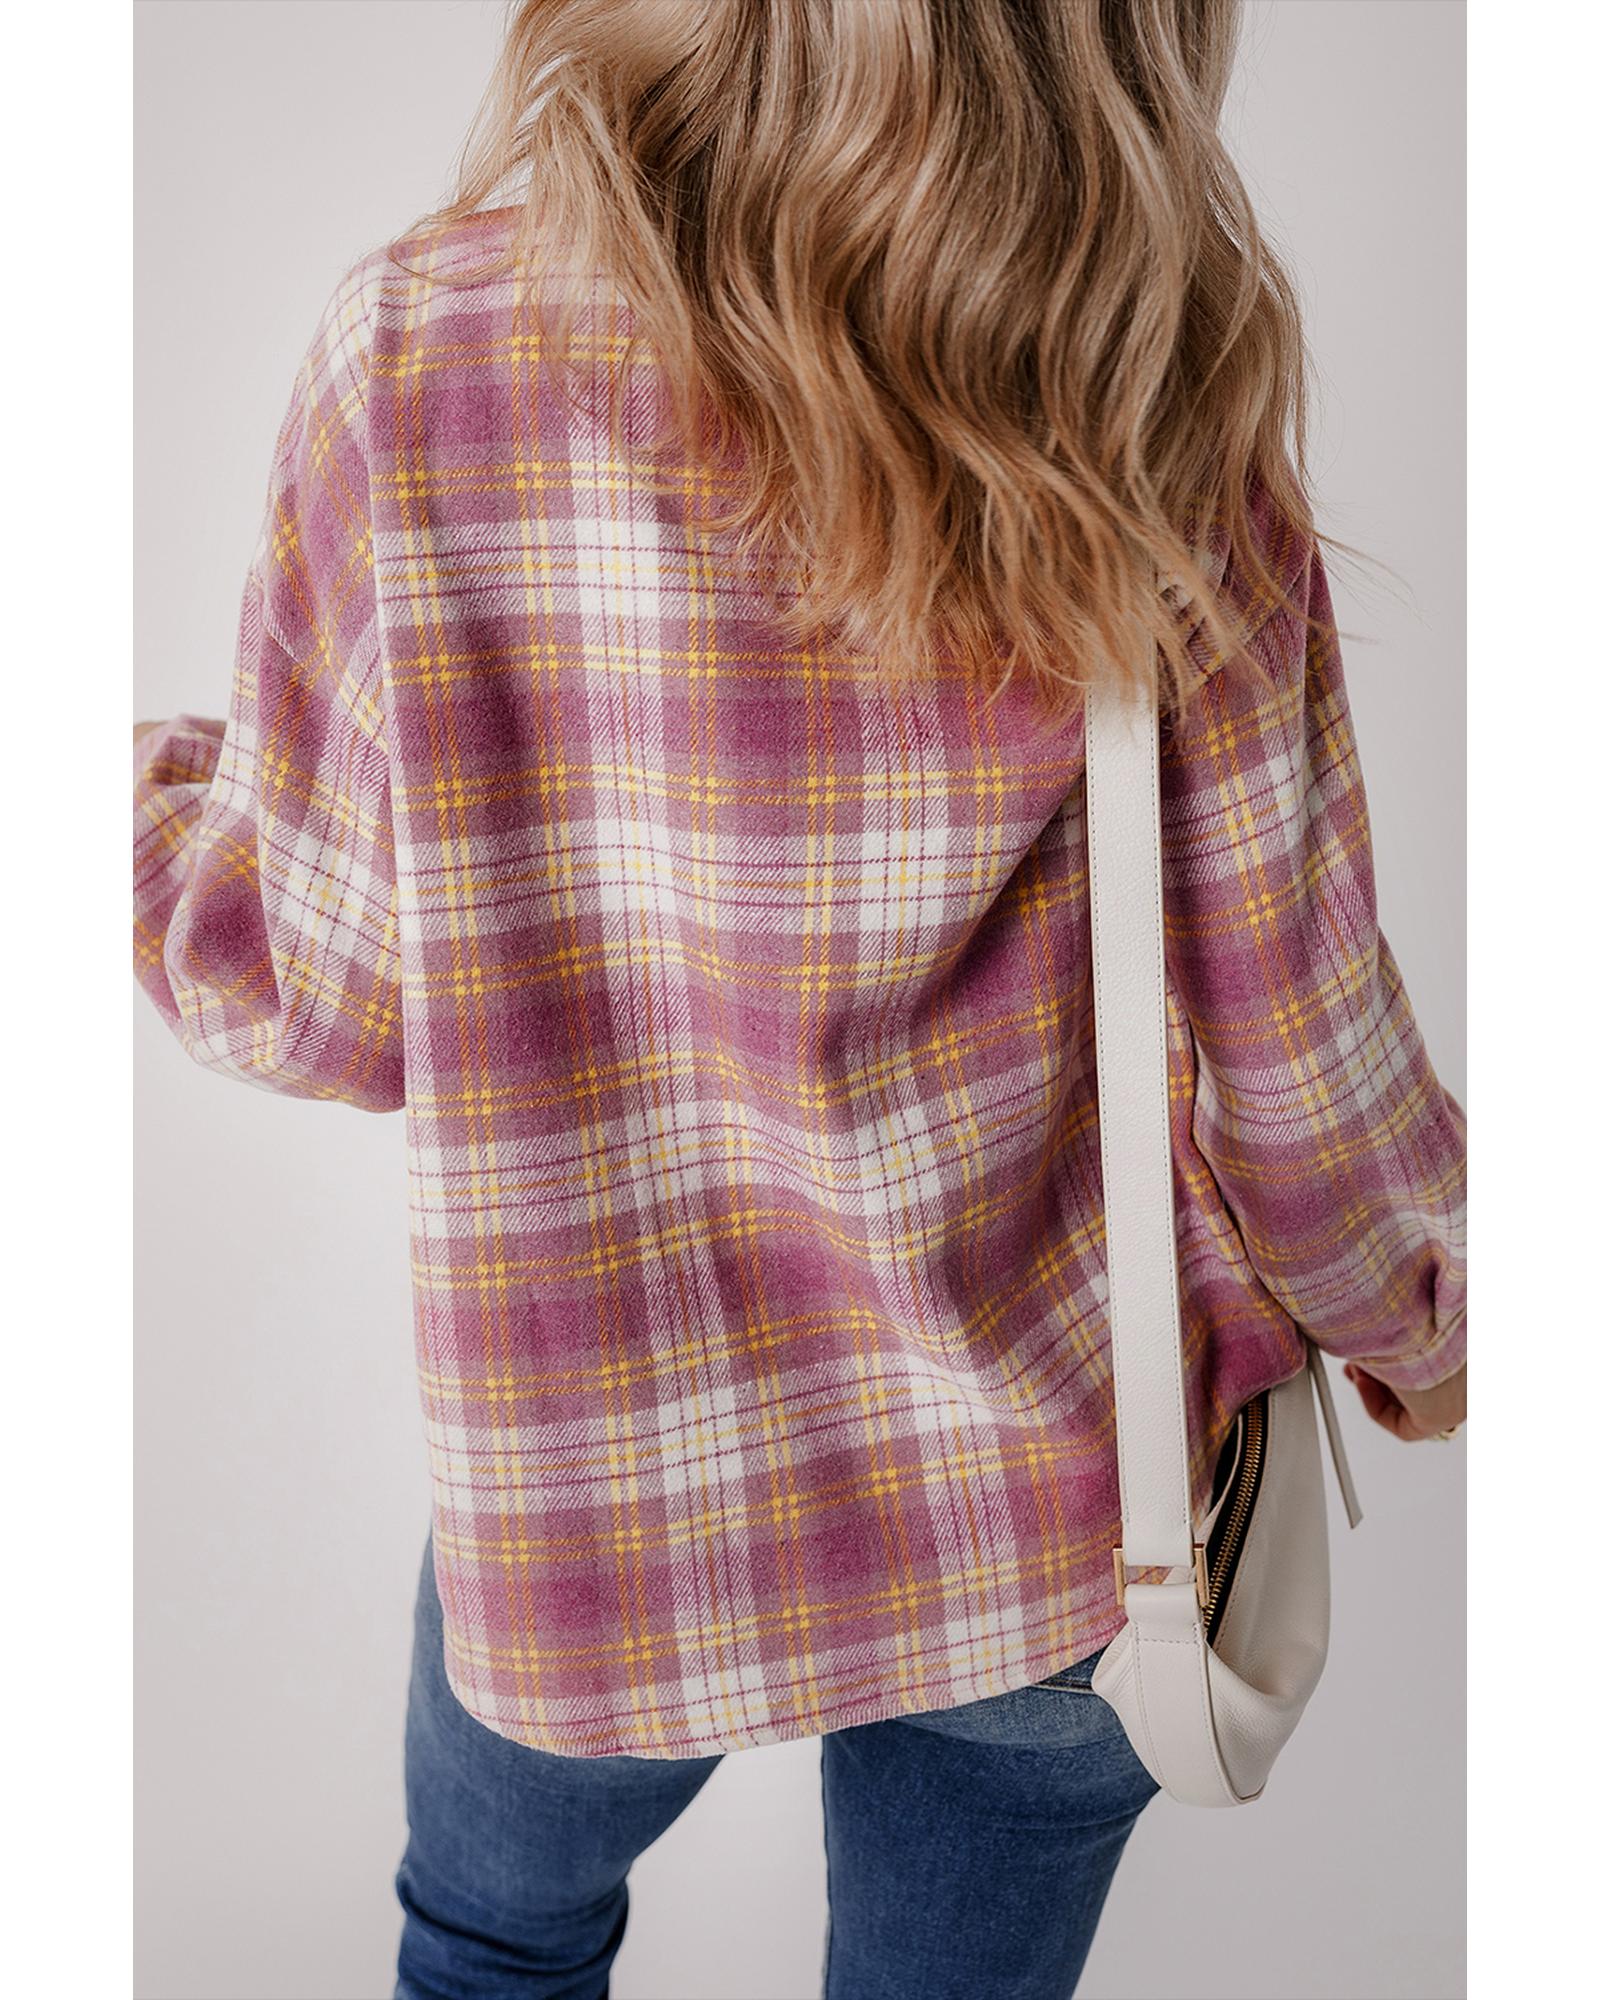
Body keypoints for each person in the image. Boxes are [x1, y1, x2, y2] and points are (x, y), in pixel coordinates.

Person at [131, 2, 1466, 1995]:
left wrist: (142, 808)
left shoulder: (418, 348)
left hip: (589, 1507)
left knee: (491, 1945)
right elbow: (1299, 1057)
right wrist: (1418, 1322)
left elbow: (319, 994)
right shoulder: (1140, 390)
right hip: (1054, 1508)